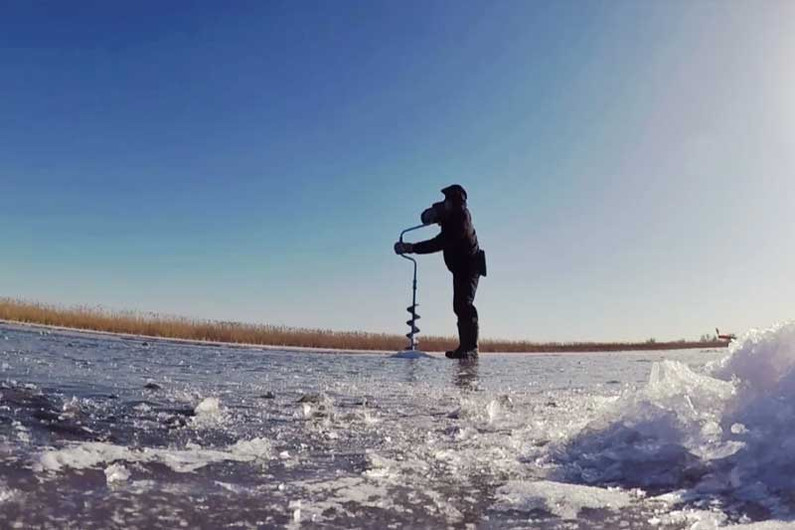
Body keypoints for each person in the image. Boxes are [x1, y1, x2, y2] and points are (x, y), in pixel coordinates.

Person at [394, 184, 486, 359]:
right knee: (458, 305)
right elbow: (426, 216)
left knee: (464, 304)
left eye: (448, 200)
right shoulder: (447, 210)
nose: (445, 202)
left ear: (455, 202)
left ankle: (471, 349)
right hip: (458, 267)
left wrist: (412, 247)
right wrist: (430, 215)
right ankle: (464, 348)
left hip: (470, 266)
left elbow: (439, 242)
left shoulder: (462, 220)